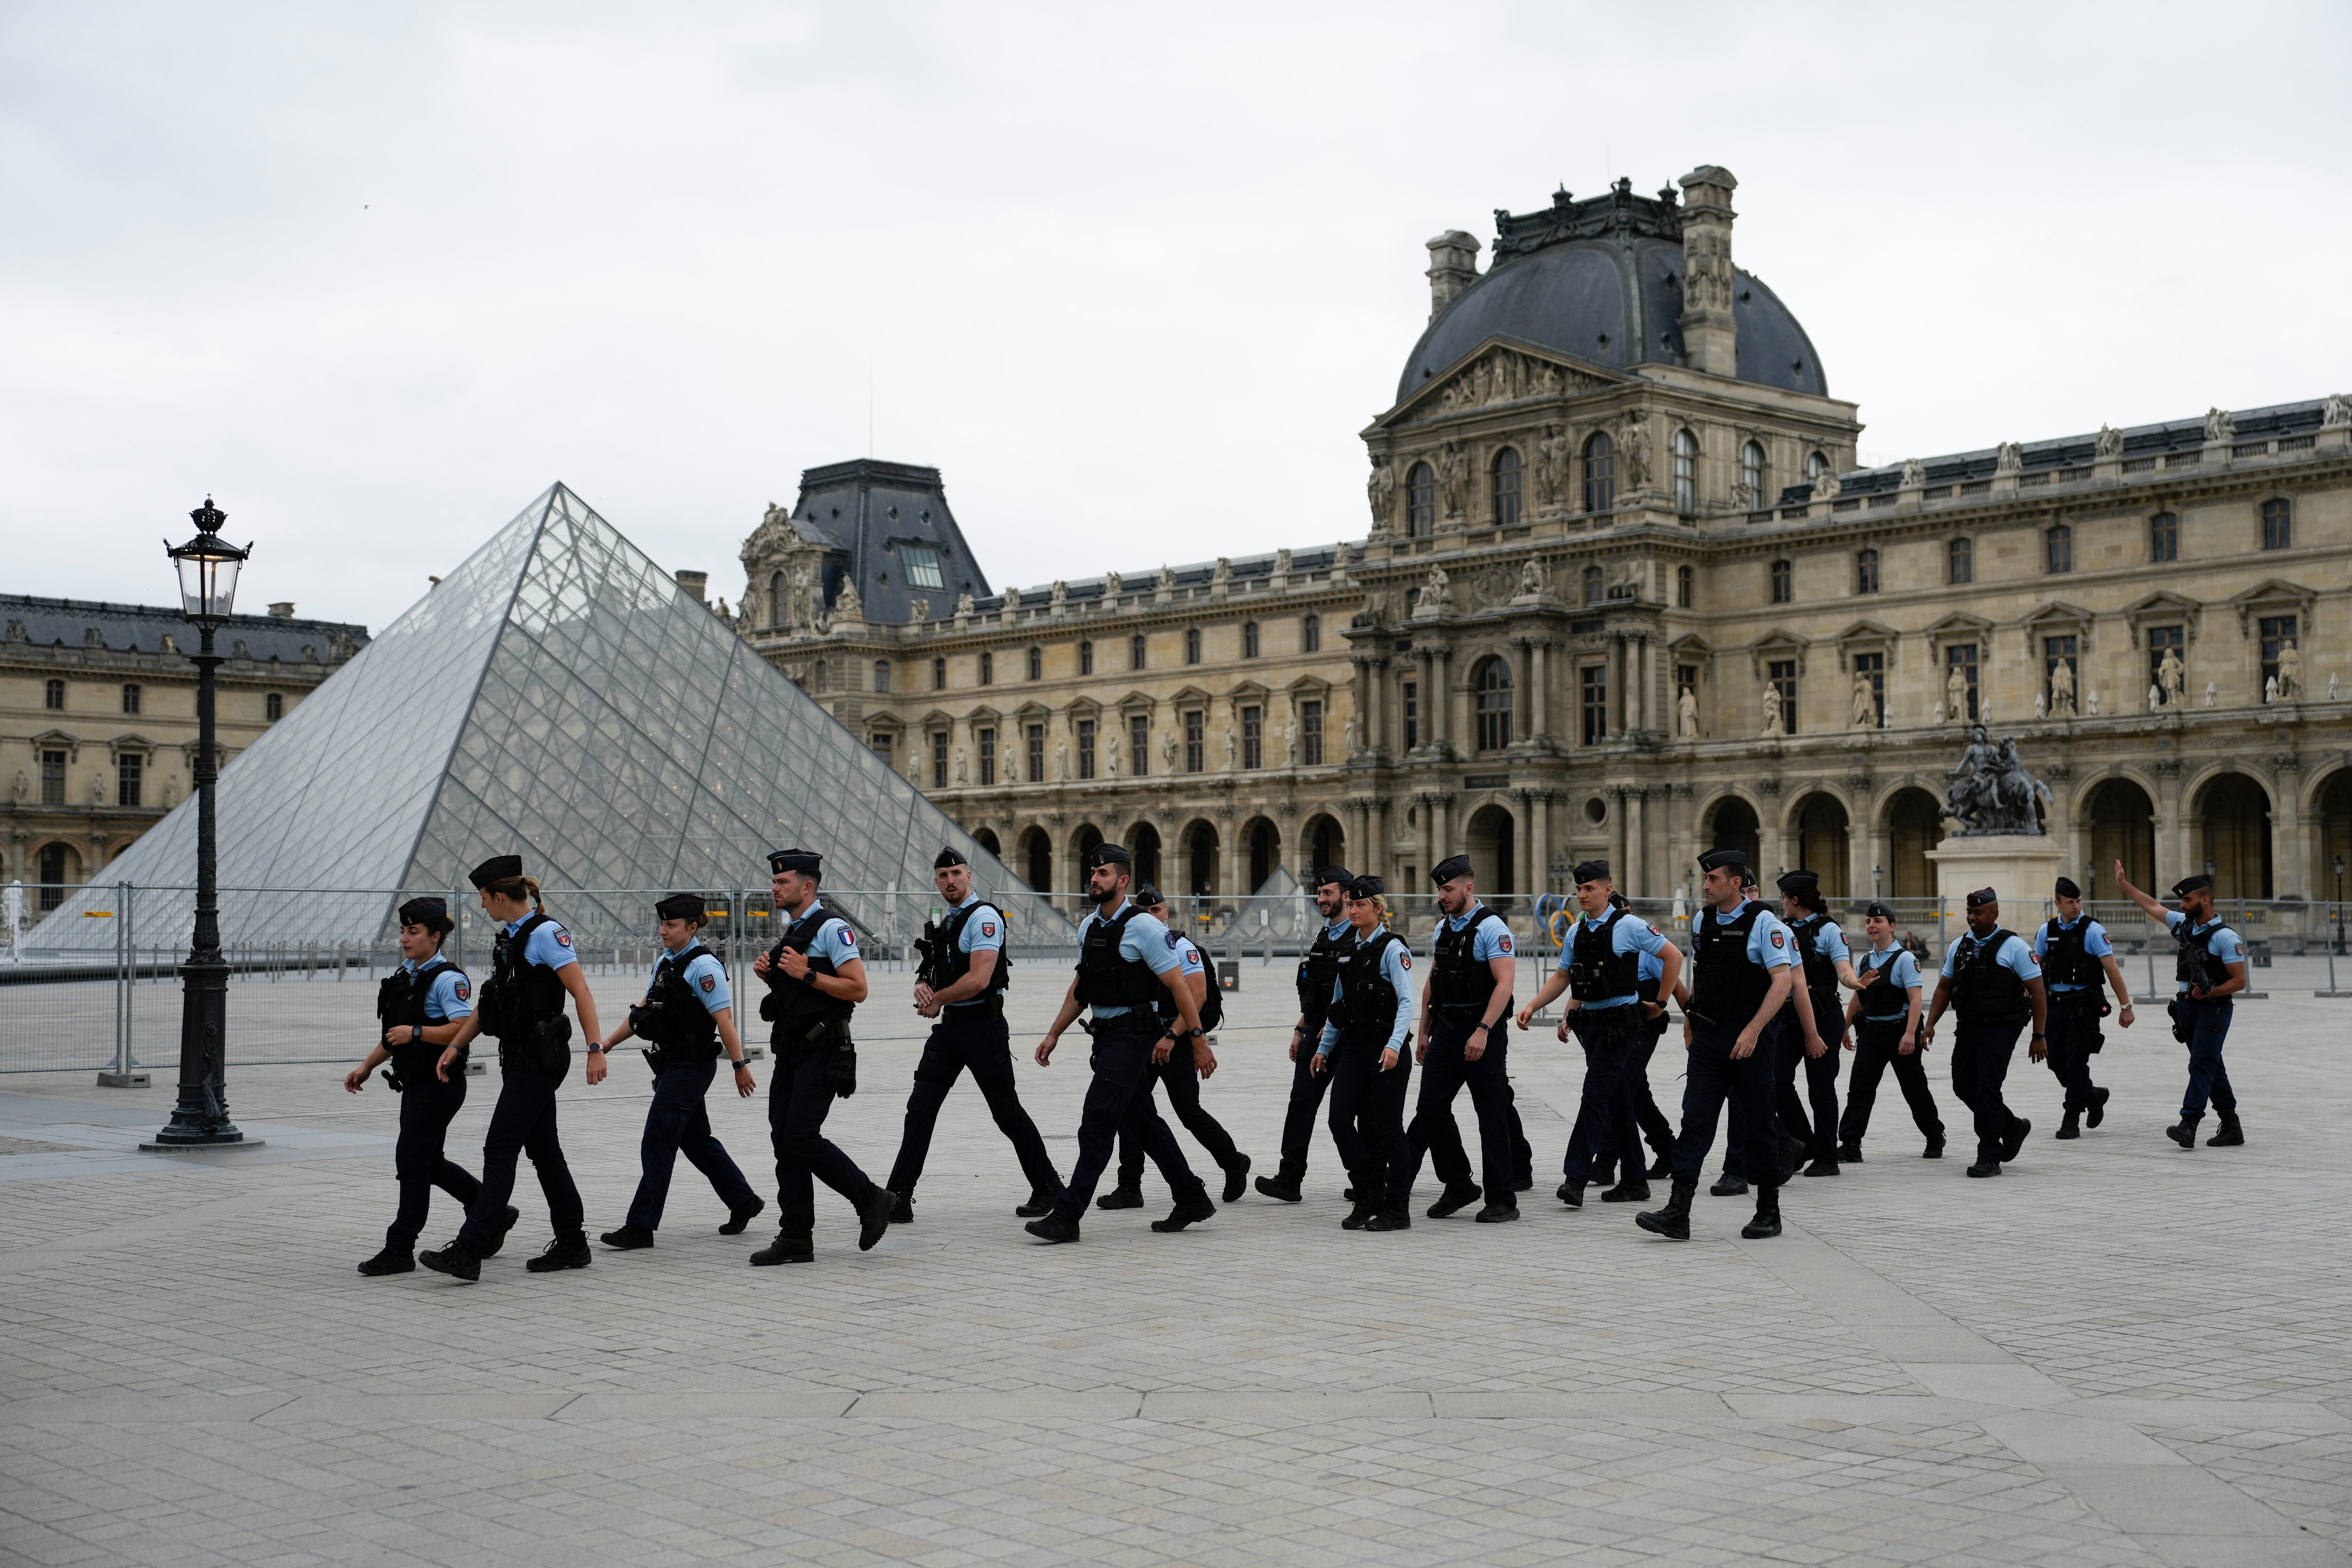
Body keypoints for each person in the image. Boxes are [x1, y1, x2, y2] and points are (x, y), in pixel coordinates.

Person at [421, 857, 604, 1282]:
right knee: (543, 1151)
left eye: (484, 898)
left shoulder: (545, 935)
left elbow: (581, 991)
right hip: (522, 1057)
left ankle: (470, 1248)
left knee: (500, 1149)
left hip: (539, 1060)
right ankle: (573, 1243)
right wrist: (454, 1045)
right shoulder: (511, 938)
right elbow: (492, 1006)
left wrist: (596, 1048)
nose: (482, 906)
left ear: (500, 896)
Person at [1025, 844, 1215, 1242]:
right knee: (1142, 1122)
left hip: (1134, 1035)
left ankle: (1067, 1214)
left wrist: (1196, 1039)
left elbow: (1180, 987)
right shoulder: (1089, 927)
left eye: (1104, 873)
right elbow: (1082, 988)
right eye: (1093, 872)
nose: (1094, 878)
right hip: (1107, 1036)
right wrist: (1054, 1032)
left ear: (1122, 880)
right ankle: (1192, 1195)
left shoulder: (1144, 926)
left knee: (1096, 1119)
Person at [884, 847, 1062, 1221]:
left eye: (956, 873)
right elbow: (933, 965)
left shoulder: (984, 918)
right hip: (951, 1028)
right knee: (920, 1108)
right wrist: (922, 984)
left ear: (969, 877)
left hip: (983, 1027)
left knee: (1006, 1113)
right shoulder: (950, 919)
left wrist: (938, 1000)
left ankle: (1049, 1187)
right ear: (936, 881)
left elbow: (979, 980)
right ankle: (898, 1196)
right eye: (943, 875)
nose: (950, 880)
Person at [344, 896, 512, 1275]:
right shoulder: (408, 975)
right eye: (403, 931)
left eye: (413, 931)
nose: (405, 938)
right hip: (415, 1084)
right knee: (429, 1161)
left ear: (435, 937)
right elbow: (395, 1034)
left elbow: (464, 1026)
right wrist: (367, 1066)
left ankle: (400, 1246)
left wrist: (417, 1032)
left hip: (439, 1084)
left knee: (412, 1160)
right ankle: (492, 1209)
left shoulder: (448, 979)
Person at [746, 848, 897, 1265]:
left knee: (801, 1136)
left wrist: (805, 973)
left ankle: (871, 1199)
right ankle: (796, 1235)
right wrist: (772, 975)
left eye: (782, 882)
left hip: (822, 1049)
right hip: (790, 1052)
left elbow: (858, 988)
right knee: (784, 1140)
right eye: (774, 881)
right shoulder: (792, 932)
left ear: (807, 885)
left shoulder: (832, 928)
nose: (774, 888)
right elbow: (795, 997)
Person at [1636, 848, 1794, 1242]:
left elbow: (1783, 981)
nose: (1705, 885)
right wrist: (1691, 1019)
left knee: (1758, 1122)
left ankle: (1768, 1210)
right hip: (1709, 1036)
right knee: (1696, 1120)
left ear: (1735, 883)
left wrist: (1755, 1029)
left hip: (1750, 1037)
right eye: (1705, 879)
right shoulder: (1704, 919)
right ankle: (1678, 1210)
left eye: (1713, 879)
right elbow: (1702, 975)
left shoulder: (1764, 923)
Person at [595, 892, 763, 1250]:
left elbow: (725, 1020)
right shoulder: (666, 962)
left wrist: (740, 1066)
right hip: (672, 1064)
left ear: (692, 926)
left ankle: (640, 1226)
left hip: (691, 1067)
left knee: (657, 1141)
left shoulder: (704, 968)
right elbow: (640, 1012)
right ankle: (744, 1200)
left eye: (671, 925)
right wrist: (607, 1044)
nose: (663, 931)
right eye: (662, 924)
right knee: (696, 1141)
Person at [1514, 861, 1681, 1210]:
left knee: (1594, 1098)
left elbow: (1673, 956)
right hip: (1589, 1025)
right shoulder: (1576, 932)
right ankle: (1635, 1179)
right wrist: (1533, 1004)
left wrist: (1661, 1003)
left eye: (1589, 888)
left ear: (1608, 889)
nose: (1581, 895)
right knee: (1619, 1100)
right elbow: (1563, 976)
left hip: (1620, 1026)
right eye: (1579, 890)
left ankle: (1575, 1178)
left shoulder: (1631, 926)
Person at [1382, 856, 1526, 1228]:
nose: (1442, 896)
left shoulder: (1492, 928)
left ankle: (1502, 1199)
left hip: (1483, 1029)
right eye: (1440, 890)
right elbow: (1434, 978)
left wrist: (1483, 1029)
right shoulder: (1443, 927)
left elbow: (1505, 983)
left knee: (1491, 1115)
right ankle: (1459, 1183)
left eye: (1448, 889)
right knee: (1430, 1108)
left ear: (1468, 887)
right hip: (1447, 1028)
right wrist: (1425, 1028)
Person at [1098, 885, 1251, 1210]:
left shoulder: (1181, 947)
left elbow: (1197, 996)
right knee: (1131, 1106)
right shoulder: (1135, 947)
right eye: (1144, 911)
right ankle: (1129, 1186)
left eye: (1157, 910)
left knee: (1188, 1111)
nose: (1152, 916)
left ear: (1166, 913)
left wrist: (1173, 1035)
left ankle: (1233, 1161)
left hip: (1177, 1037)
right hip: (1145, 1036)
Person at [2112, 864, 2248, 1148]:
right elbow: (2151, 906)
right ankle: (2232, 1125)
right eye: (2182, 901)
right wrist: (2124, 884)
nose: (2182, 905)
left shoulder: (2225, 937)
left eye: (2187, 900)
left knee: (2201, 1064)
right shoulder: (2184, 925)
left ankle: (2189, 1123)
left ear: (2205, 901)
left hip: (2214, 1008)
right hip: (2187, 1007)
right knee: (2210, 1065)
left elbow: (2239, 981)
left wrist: (2210, 994)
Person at [1312, 876, 1418, 1232]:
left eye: (1361, 905)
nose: (1354, 910)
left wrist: (1394, 1044)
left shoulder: (1392, 948)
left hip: (1385, 1048)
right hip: (1355, 1048)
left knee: (1389, 1129)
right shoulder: (1349, 949)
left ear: (1378, 908)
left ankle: (1398, 1207)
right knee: (1339, 1119)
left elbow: (1406, 1002)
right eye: (1351, 904)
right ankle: (1369, 1190)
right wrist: (1324, 1048)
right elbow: (1338, 1005)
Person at [1920, 888, 2047, 1178]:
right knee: (1963, 1086)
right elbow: (1944, 987)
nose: (1972, 918)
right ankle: (2012, 1126)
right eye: (1969, 913)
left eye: (1978, 913)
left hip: (2002, 1027)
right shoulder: (1960, 946)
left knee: (1987, 1088)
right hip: (1969, 1025)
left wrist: (2039, 1035)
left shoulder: (2014, 946)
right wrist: (1930, 1024)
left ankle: (1989, 1154)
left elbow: (2039, 991)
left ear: (1995, 914)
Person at [1257, 866, 1357, 1203]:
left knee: (1357, 1111)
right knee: (1301, 1102)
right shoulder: (1323, 937)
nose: (1321, 899)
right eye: (1319, 893)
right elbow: (1314, 990)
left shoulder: (1360, 937)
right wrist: (1301, 1028)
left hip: (1350, 1035)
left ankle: (1369, 1176)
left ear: (1346, 895)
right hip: (1316, 1030)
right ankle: (1289, 1178)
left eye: (1327, 893)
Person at [1835, 901, 1945, 1161]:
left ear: (1892, 927)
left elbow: (1916, 999)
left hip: (1900, 1033)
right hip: (1872, 1033)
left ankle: (1934, 1136)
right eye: (1868, 922)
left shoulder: (1905, 959)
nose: (1871, 926)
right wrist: (1845, 1027)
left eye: (1878, 921)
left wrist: (1910, 1035)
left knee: (1914, 1089)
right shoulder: (1864, 960)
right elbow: (1858, 998)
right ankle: (1850, 1143)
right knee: (1860, 1089)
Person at [2034, 876, 2137, 1138]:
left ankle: (2071, 1117)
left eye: (2079, 901)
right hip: (2055, 1005)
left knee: (2076, 1061)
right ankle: (2092, 1095)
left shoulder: (2093, 931)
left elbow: (2111, 970)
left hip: (2084, 1006)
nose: (2076, 907)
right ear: (2057, 903)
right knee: (2056, 1062)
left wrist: (2126, 1006)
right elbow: (2035, 972)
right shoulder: (2046, 931)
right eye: (2070, 902)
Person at [1772, 871, 1847, 1178]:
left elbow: (1843, 969)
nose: (1782, 903)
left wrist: (1856, 981)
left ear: (1795, 899)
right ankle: (1805, 1143)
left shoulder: (1829, 930)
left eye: (1784, 898)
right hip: (1791, 1019)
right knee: (1776, 1080)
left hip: (1824, 1017)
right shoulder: (1783, 928)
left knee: (1820, 1088)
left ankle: (1828, 1156)